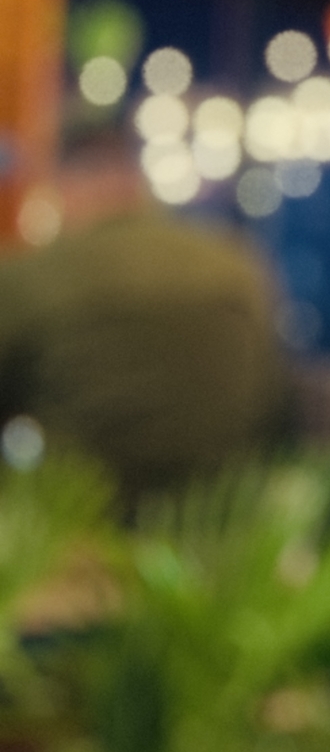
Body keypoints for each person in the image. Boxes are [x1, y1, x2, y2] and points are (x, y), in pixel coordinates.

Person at [0, 135, 284, 496]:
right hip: (223, 507)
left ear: (68, 187)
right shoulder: (235, 262)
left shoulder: (38, 274)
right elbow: (274, 392)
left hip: (78, 513)